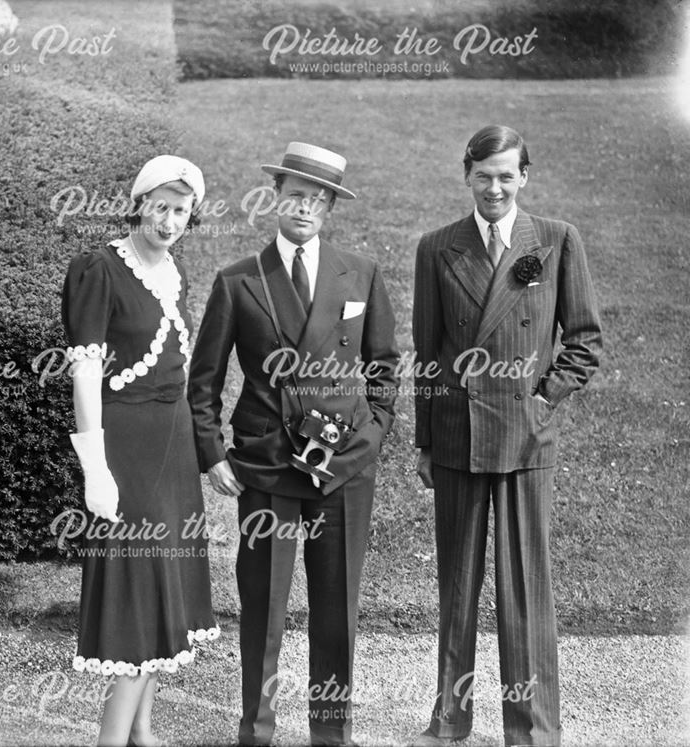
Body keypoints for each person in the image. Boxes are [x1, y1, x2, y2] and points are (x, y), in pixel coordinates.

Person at [188, 142, 399, 745]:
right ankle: (255, 731)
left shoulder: (358, 272)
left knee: (337, 608)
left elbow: (384, 366)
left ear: (330, 207)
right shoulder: (238, 282)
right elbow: (202, 383)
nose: (305, 206)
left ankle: (331, 735)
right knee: (264, 608)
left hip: (344, 464)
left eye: (318, 198)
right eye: (296, 194)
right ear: (276, 198)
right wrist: (212, 454)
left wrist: (375, 433)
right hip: (268, 464)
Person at [410, 125, 602, 747]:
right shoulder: (437, 247)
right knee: (457, 587)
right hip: (457, 438)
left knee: (526, 591)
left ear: (524, 176)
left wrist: (543, 398)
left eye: (506, 175)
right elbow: (428, 353)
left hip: (526, 439)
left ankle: (534, 728)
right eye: (483, 174)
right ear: (466, 174)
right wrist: (423, 440)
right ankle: (449, 719)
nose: (494, 187)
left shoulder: (555, 240)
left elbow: (584, 341)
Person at [62, 155, 219, 747]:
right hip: (125, 447)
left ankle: (142, 730)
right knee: (136, 588)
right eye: (162, 207)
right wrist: (94, 467)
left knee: (166, 583)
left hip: (173, 446)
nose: (171, 220)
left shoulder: (173, 269)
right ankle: (111, 741)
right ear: (139, 204)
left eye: (182, 211)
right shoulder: (98, 269)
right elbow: (84, 377)